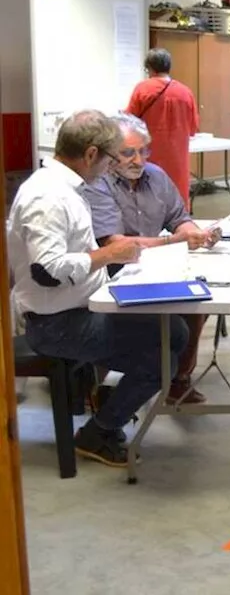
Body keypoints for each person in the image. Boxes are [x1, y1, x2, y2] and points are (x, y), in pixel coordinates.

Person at [7, 110, 188, 467]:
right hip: (56, 323)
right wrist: (108, 254)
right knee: (164, 352)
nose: (110, 167)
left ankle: (109, 405)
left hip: (78, 308)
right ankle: (100, 429)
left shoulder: (65, 188)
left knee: (174, 332)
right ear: (90, 154)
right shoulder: (49, 198)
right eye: (110, 158)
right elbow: (47, 271)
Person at [82, 113, 220, 405]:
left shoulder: (156, 176)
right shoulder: (99, 183)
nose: (138, 160)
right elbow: (114, 244)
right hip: (113, 273)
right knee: (159, 323)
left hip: (155, 264)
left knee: (199, 302)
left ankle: (178, 378)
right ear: (109, 154)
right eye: (128, 153)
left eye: (144, 150)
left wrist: (196, 233)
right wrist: (173, 240)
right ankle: (103, 384)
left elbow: (179, 218)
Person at [125, 48, 199, 208]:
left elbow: (129, 124)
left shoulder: (142, 89)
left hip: (150, 156)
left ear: (150, 68)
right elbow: (193, 128)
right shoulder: (186, 92)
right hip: (178, 158)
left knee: (150, 197)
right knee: (177, 198)